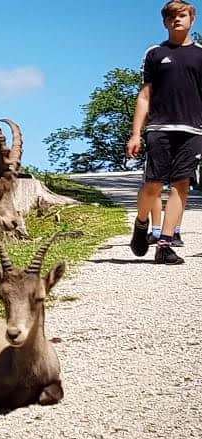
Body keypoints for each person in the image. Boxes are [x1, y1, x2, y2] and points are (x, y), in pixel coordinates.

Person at [127, 0, 202, 265]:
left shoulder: (200, 55)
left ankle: (165, 244)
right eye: (171, 17)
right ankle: (141, 223)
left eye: (181, 15)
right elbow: (145, 95)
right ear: (165, 22)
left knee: (181, 185)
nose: (176, 20)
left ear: (192, 19)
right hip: (159, 128)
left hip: (193, 130)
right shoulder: (155, 53)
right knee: (153, 185)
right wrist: (136, 133)